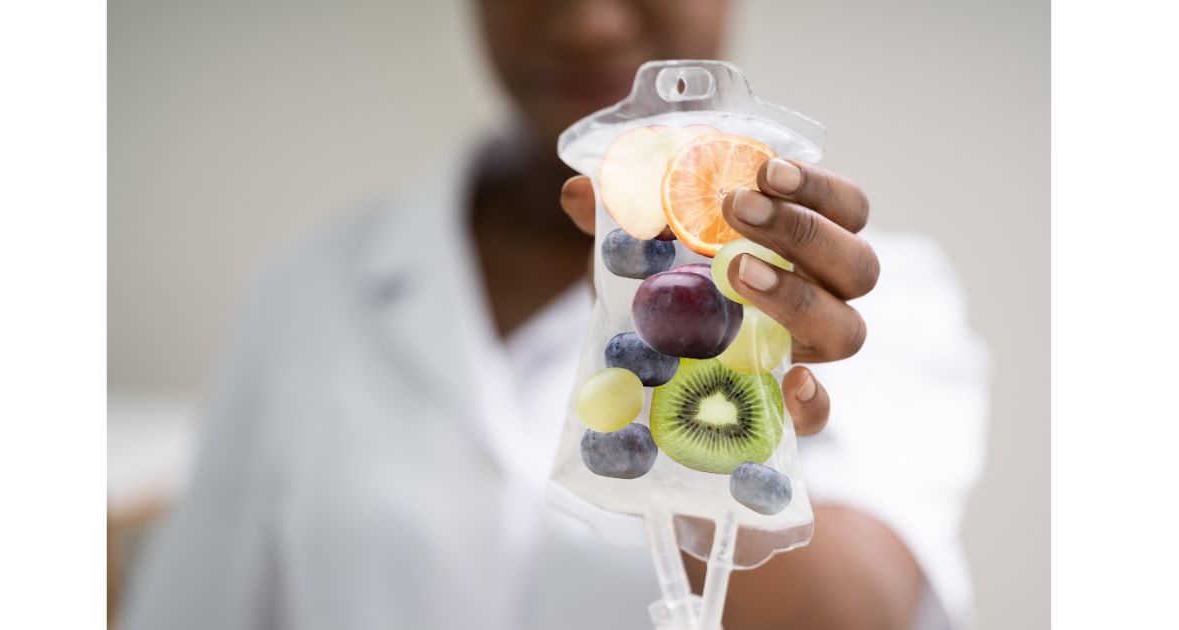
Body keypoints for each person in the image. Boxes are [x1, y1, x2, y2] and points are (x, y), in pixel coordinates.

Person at [122, 1, 988, 629]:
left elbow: (851, 613)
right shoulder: (308, 289)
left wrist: (696, 367)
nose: (587, 24)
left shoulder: (872, 294)